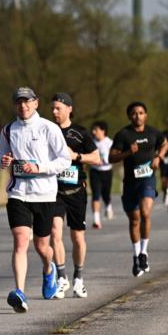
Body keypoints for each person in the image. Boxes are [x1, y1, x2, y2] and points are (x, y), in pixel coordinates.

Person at [0, 87, 71, 313]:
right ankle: (19, 292)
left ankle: (49, 269)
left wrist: (40, 167)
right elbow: (0, 158)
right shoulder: (8, 130)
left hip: (45, 194)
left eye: (27, 102)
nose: (23, 106)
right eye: (19, 102)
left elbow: (64, 160)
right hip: (18, 193)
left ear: (36, 103)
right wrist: (5, 160)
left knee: (41, 246)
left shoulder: (49, 128)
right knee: (21, 241)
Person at [48, 93, 100, 299]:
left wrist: (76, 156)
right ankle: (62, 278)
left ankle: (78, 278)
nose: (54, 112)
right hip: (54, 191)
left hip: (76, 191)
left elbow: (96, 158)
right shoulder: (46, 130)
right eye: (52, 108)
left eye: (58, 108)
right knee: (54, 233)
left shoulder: (81, 133)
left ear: (69, 108)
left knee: (77, 237)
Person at [109, 101, 168, 277]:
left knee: (145, 213)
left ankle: (144, 253)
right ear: (129, 116)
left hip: (147, 180)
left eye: (141, 113)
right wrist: (128, 152)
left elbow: (164, 143)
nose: (138, 116)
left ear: (146, 115)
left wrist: (159, 157)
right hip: (130, 184)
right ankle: (136, 256)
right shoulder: (123, 135)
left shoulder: (153, 132)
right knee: (134, 220)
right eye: (134, 113)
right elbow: (111, 157)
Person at [89, 121, 114, 229]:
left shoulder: (109, 142)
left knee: (106, 194)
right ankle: (96, 220)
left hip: (107, 171)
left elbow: (114, 157)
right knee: (96, 194)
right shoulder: (91, 142)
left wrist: (105, 161)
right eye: (93, 130)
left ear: (103, 131)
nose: (94, 132)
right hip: (95, 171)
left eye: (96, 130)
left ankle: (108, 206)